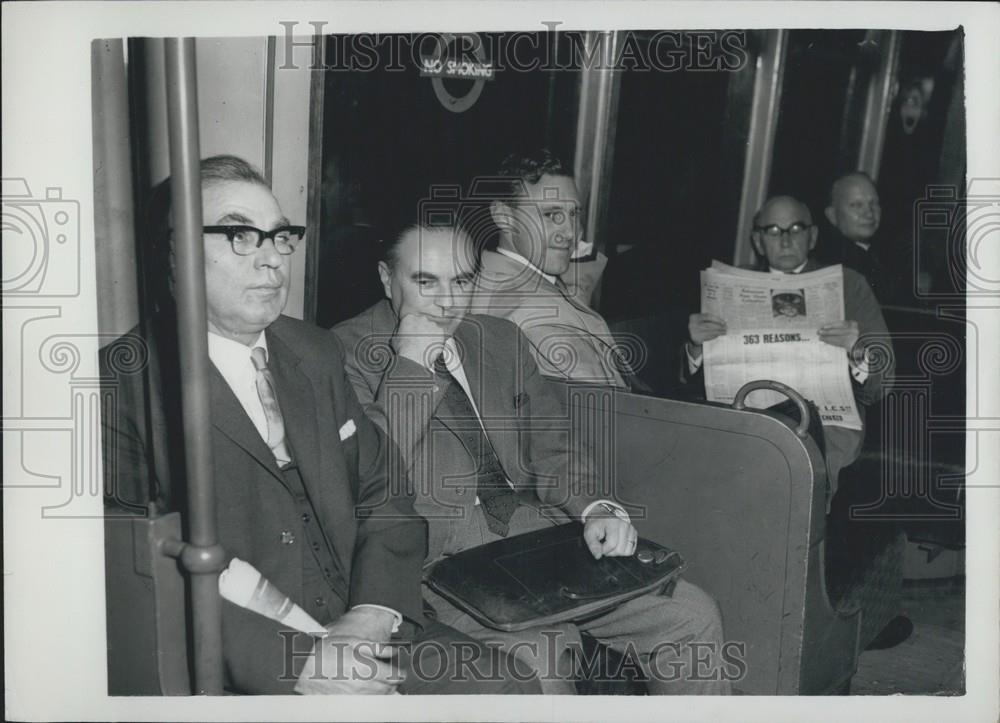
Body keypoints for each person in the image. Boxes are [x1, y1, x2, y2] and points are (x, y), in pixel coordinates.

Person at [101, 155, 537, 695]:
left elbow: (386, 495)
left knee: (508, 686)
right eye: (241, 235)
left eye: (280, 237)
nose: (272, 262)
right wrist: (297, 664)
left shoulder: (313, 349)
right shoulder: (124, 383)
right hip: (242, 662)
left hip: (366, 623)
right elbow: (128, 576)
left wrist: (371, 616)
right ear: (175, 251)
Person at [333, 221, 731, 695]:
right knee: (540, 658)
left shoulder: (499, 339)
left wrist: (596, 507)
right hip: (435, 565)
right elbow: (367, 474)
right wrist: (412, 369)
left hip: (532, 545)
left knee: (692, 616)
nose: (446, 302)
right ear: (386, 278)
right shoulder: (341, 352)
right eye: (425, 281)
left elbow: (553, 445)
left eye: (461, 281)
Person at [683, 195, 893, 499]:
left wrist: (857, 350)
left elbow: (883, 382)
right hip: (745, 415)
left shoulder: (850, 285)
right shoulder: (728, 286)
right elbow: (691, 382)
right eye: (772, 230)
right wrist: (696, 348)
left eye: (795, 229)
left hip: (823, 427)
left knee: (783, 476)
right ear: (757, 240)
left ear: (813, 236)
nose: (784, 241)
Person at [472, 149, 634, 389]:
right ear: (503, 216)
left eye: (574, 213)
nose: (571, 233)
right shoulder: (539, 316)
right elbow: (608, 413)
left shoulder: (495, 278)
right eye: (551, 214)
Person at [819, 171, 898, 302]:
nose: (869, 213)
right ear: (832, 215)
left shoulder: (885, 256)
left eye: (873, 203)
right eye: (857, 205)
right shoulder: (830, 263)